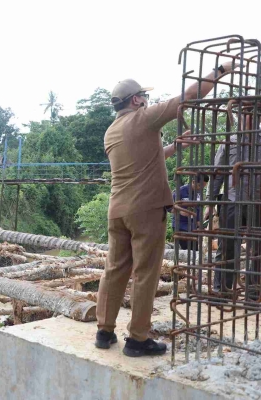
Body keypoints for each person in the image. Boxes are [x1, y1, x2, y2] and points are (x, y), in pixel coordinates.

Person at [95, 60, 236, 357]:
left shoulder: (112, 131)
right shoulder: (143, 118)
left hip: (117, 210)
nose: (145, 100)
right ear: (136, 100)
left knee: (114, 270)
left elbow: (147, 154)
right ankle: (137, 339)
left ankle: (104, 331)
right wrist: (221, 71)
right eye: (143, 97)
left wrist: (176, 146)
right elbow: (190, 96)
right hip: (146, 209)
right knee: (146, 272)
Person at [210, 115, 261, 295]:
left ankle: (254, 292)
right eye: (245, 114)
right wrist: (210, 202)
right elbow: (217, 174)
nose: (248, 119)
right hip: (232, 200)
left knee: (257, 247)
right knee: (227, 245)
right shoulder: (229, 142)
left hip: (257, 202)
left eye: (252, 114)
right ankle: (222, 290)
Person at [172, 175, 209, 251]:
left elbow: (198, 209)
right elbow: (169, 206)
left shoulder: (199, 193)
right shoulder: (180, 191)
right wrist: (180, 211)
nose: (201, 188)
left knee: (194, 250)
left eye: (204, 186)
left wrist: (200, 223)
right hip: (180, 226)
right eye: (200, 185)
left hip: (193, 227)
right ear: (193, 182)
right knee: (187, 250)